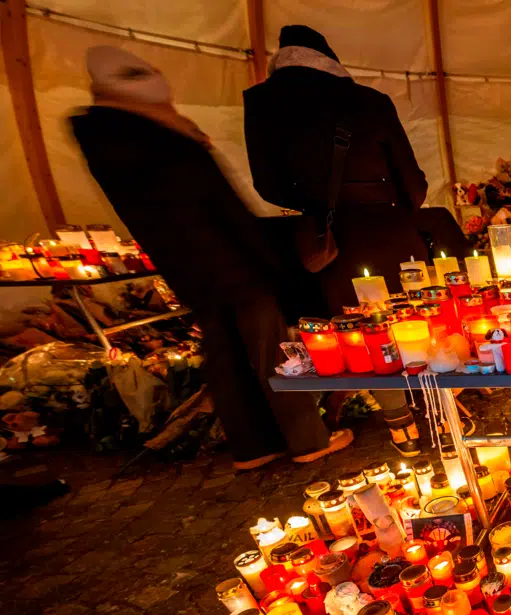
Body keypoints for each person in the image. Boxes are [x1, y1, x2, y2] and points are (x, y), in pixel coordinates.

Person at [71, 46, 352, 471]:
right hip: (231, 260)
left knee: (225, 356)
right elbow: (221, 205)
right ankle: (308, 439)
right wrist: (268, 259)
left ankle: (254, 447)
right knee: (273, 353)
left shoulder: (103, 137)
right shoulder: (163, 134)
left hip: (184, 266)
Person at [244, 24, 427, 456]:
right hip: (390, 229)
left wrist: (317, 205)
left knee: (362, 332)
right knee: (414, 316)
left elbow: (267, 185)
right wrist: (399, 208)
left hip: (330, 239)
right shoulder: (369, 102)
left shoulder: (262, 103)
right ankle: (436, 406)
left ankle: (402, 426)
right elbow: (412, 182)